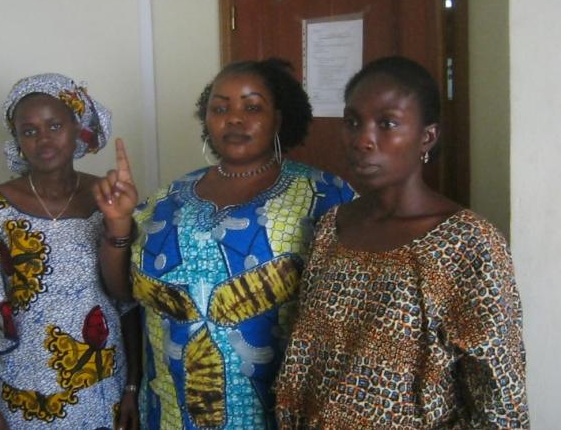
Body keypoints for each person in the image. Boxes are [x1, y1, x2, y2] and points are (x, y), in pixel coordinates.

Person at [94, 58, 355, 429]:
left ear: (278, 119)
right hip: (172, 411)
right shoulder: (167, 199)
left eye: (252, 107)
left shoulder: (325, 196)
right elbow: (124, 292)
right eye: (220, 108)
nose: (234, 119)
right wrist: (118, 223)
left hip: (278, 412)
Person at [275, 56, 529, 428]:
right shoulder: (332, 227)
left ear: (427, 137)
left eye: (387, 123)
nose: (363, 140)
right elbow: (306, 359)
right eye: (353, 122)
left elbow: (499, 397)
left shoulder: (467, 242)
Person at [0, 73, 139, 429]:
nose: (43, 139)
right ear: (17, 140)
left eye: (55, 125)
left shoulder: (107, 197)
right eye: (29, 131)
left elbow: (128, 302)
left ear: (77, 128)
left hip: (103, 388)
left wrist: (133, 385)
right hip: (22, 392)